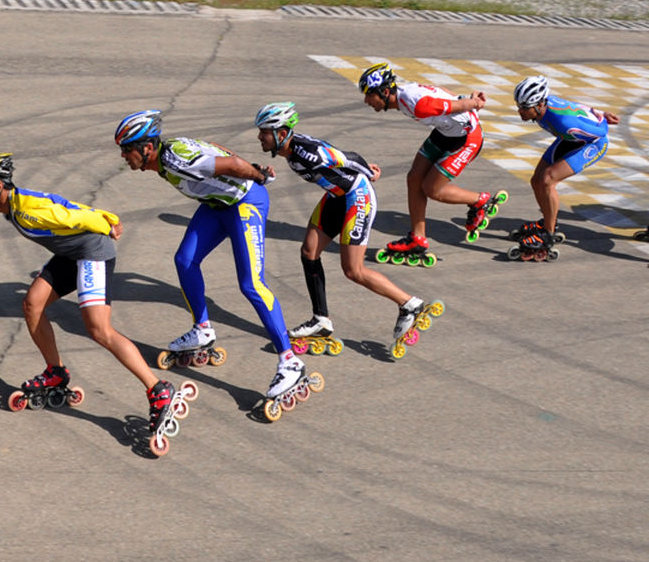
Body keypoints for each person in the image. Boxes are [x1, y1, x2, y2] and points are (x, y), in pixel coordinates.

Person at [0, 152, 187, 450]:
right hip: (71, 253)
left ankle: (158, 389)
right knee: (32, 304)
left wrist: (108, 223)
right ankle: (56, 372)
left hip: (92, 252)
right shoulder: (17, 203)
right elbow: (63, 204)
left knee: (99, 329)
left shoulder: (27, 211)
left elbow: (73, 215)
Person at [113, 109, 305, 400]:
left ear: (147, 148)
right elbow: (219, 151)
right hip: (217, 205)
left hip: (245, 203)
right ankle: (202, 329)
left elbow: (233, 163)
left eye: (127, 150)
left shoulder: (175, 160)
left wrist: (258, 176)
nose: (124, 156)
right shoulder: (170, 151)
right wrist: (253, 167)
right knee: (185, 261)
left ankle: (290, 361)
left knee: (251, 283)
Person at [254, 102, 436, 347]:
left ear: (281, 134)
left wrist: (368, 172)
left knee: (353, 270)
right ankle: (321, 320)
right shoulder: (290, 151)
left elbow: (346, 157)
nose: (259, 136)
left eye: (264, 131)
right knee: (309, 252)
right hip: (336, 196)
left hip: (356, 197)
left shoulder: (308, 152)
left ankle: (409, 305)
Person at [358, 62, 506, 258]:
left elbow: (458, 105)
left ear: (385, 92)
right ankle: (417, 238)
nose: (367, 101)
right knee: (414, 178)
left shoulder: (416, 104)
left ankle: (480, 201)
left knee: (432, 189)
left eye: (369, 95)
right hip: (446, 132)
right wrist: (465, 98)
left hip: (467, 138)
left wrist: (474, 102)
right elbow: (442, 92)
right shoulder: (404, 93)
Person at [510, 75, 620, 255]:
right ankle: (547, 222)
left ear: (539, 105)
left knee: (547, 180)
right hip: (570, 139)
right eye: (519, 106)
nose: (520, 111)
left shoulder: (565, 123)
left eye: (524, 107)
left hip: (594, 144)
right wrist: (598, 111)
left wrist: (603, 120)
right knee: (536, 181)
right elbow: (577, 107)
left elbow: (601, 132)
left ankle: (548, 234)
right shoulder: (547, 103)